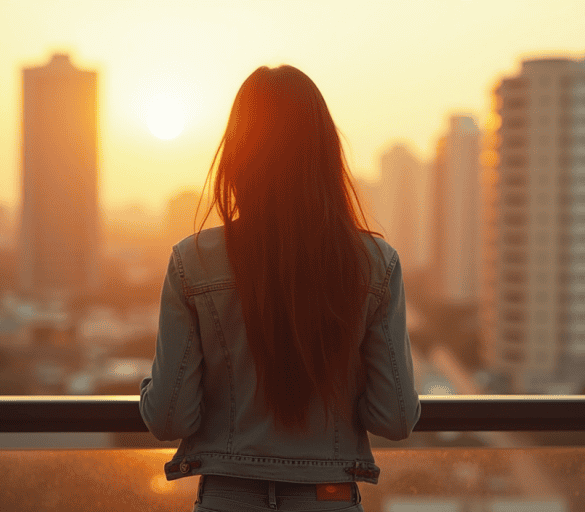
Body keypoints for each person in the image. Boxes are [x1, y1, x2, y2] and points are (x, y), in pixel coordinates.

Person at [139, 65, 421, 512]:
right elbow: (396, 417)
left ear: (237, 155)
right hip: (327, 497)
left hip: (226, 499)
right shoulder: (374, 264)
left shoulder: (192, 260)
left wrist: (149, 389)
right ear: (325, 154)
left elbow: (170, 417)